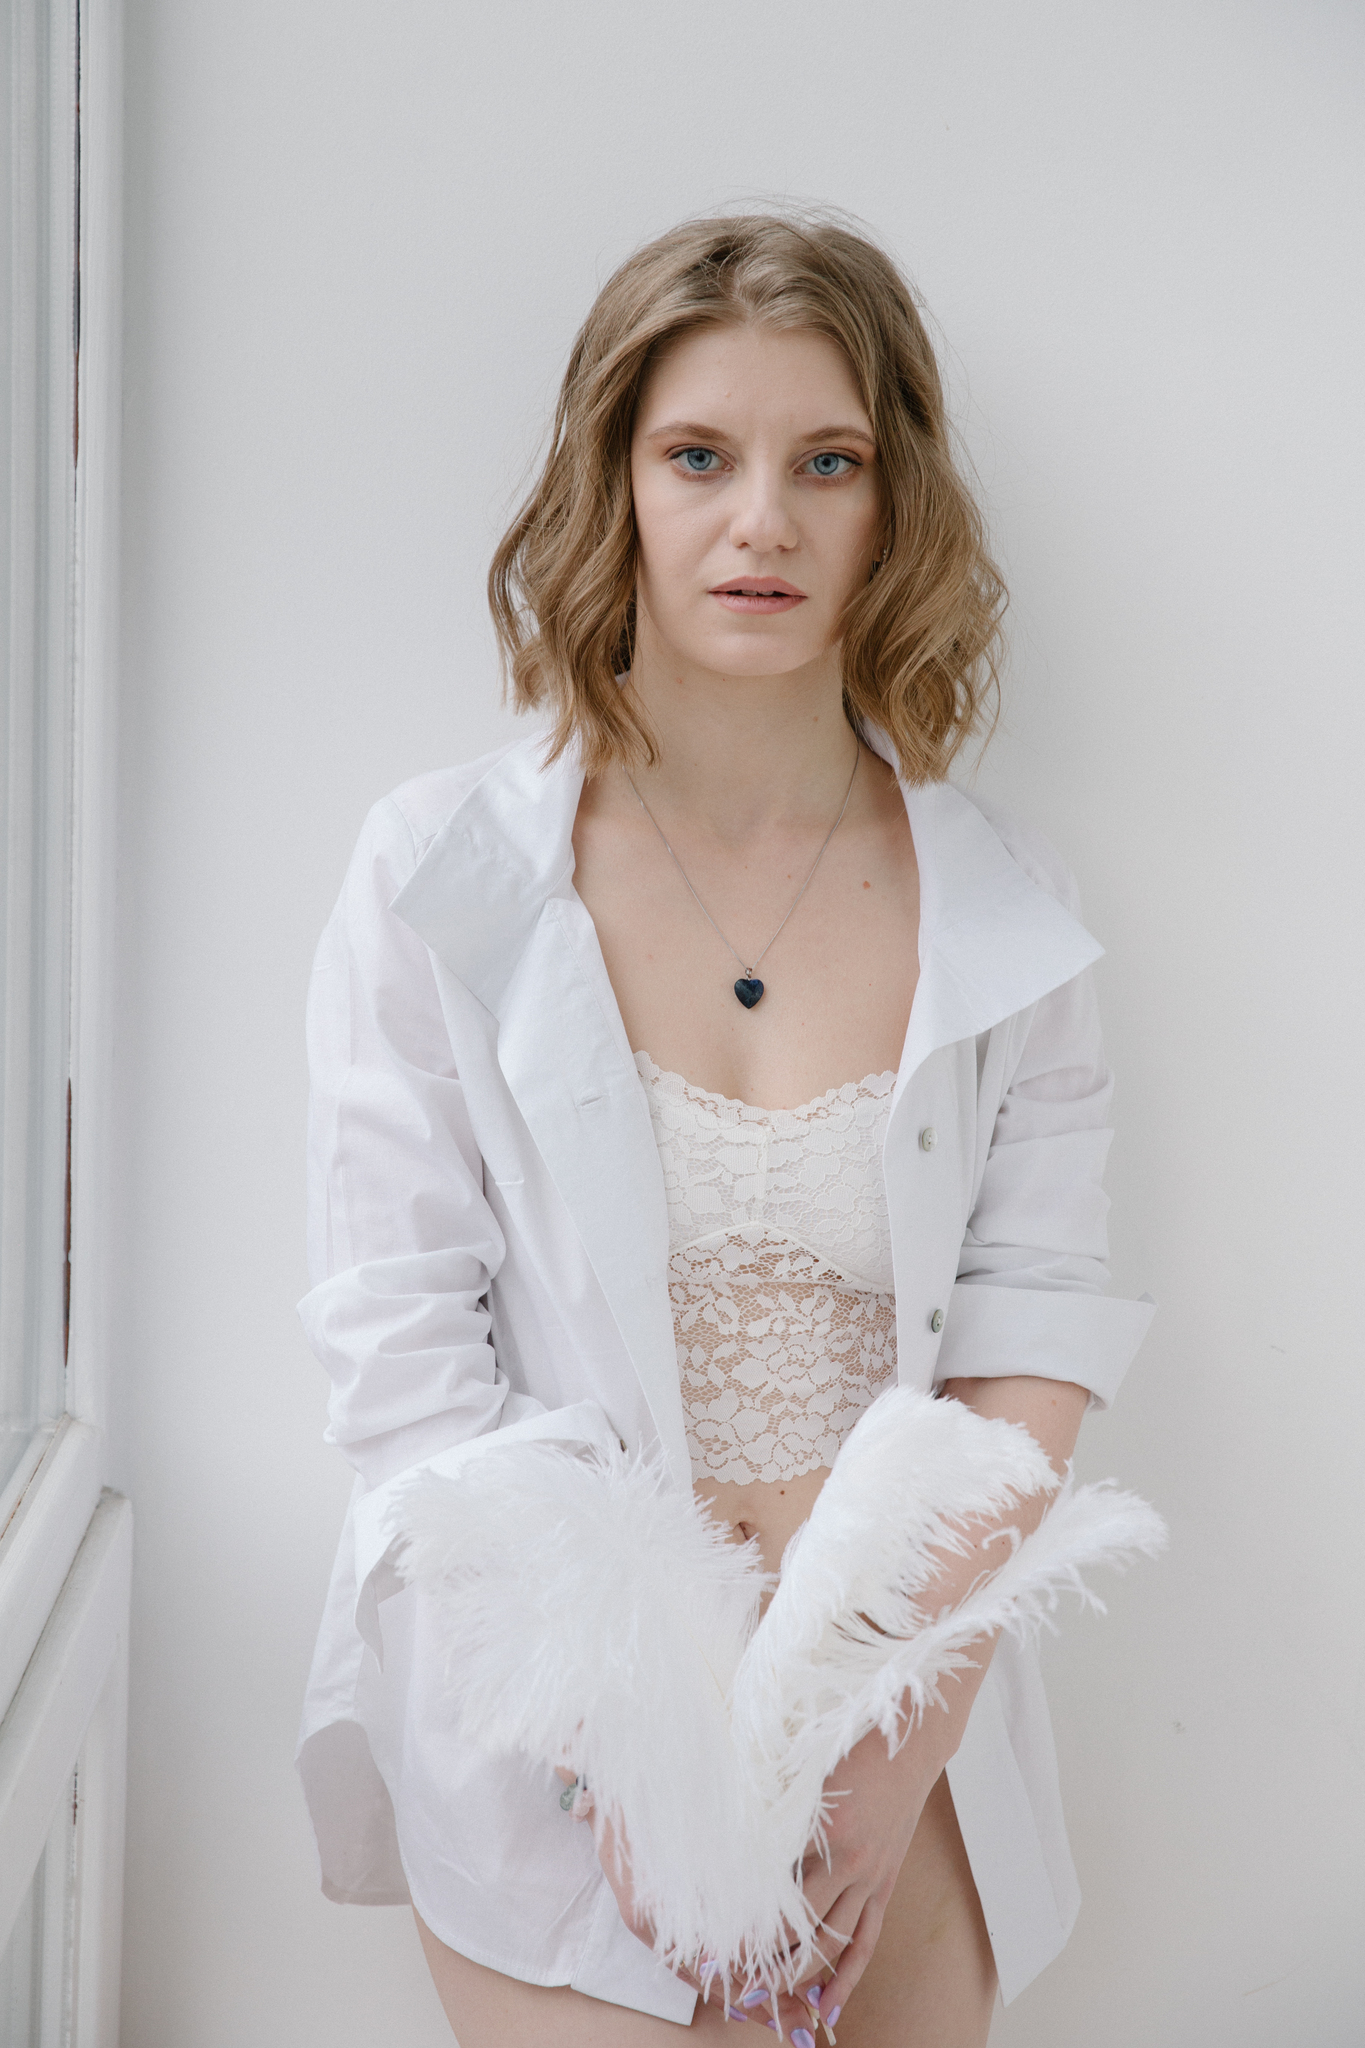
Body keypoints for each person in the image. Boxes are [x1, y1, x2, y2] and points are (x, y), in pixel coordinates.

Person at [295, 213, 1157, 2048]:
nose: (761, 520)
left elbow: (1030, 1332)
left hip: (898, 1742)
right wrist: (630, 1752)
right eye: (698, 456)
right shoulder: (437, 875)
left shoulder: (1008, 904)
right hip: (549, 1746)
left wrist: (896, 1739)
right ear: (612, 483)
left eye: (824, 462)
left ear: (892, 502)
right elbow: (401, 1364)